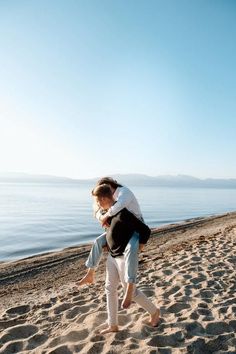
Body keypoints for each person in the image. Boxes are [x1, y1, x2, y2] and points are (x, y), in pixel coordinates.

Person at [92, 184, 160, 334]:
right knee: (110, 289)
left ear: (103, 199)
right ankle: (113, 324)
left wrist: (139, 248)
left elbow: (145, 230)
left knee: (132, 293)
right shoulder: (109, 214)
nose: (97, 204)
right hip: (112, 255)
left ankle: (154, 312)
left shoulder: (122, 213)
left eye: (97, 201)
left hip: (123, 257)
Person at [78, 177, 144, 308]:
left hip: (135, 229)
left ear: (111, 186)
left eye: (107, 189)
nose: (106, 191)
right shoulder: (106, 199)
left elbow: (118, 206)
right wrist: (102, 216)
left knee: (131, 251)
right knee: (98, 242)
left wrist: (106, 215)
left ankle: (130, 287)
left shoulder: (124, 192)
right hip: (119, 230)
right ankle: (90, 273)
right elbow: (96, 211)